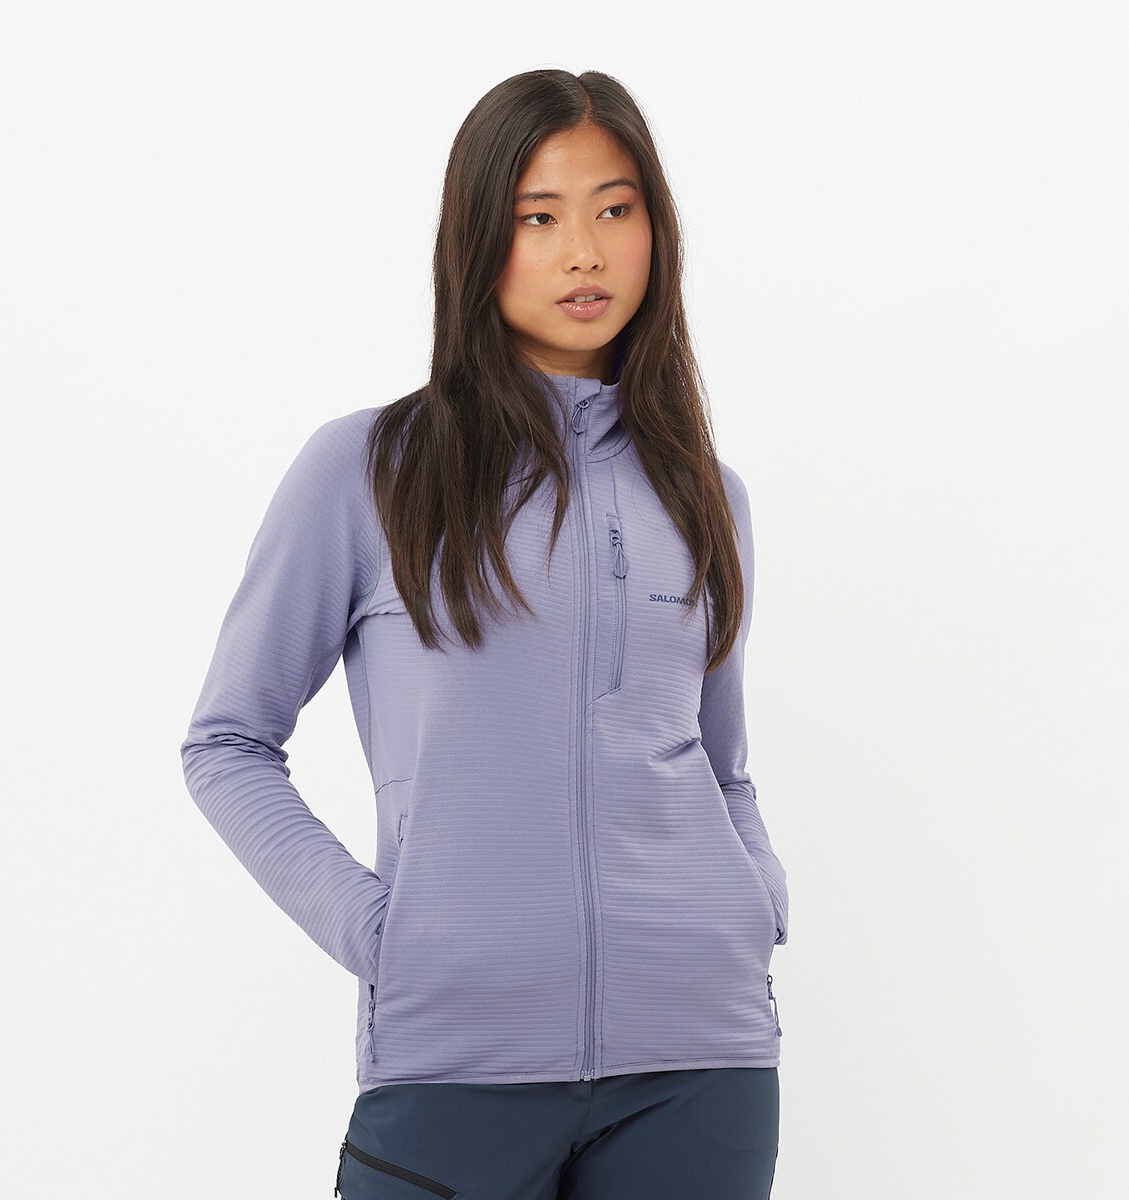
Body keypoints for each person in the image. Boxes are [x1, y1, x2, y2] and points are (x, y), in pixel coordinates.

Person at [180, 67, 790, 1199]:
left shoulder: (709, 495)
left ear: (656, 231)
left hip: (700, 1060)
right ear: (477, 240)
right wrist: (382, 934)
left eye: (615, 209)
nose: (585, 254)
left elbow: (720, 764)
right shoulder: (370, 469)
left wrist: (754, 902)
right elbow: (227, 743)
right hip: (455, 1056)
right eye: (538, 218)